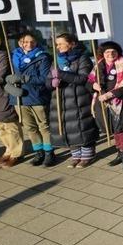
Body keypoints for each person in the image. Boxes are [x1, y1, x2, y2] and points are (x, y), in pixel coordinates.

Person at [46, 33, 98, 168]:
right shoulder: (56, 60)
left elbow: (83, 78)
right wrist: (52, 83)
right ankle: (76, 155)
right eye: (57, 44)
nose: (58, 47)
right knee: (68, 127)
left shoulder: (83, 58)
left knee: (81, 126)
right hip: (61, 99)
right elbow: (47, 79)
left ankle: (87, 155)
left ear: (72, 44)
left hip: (78, 98)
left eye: (61, 44)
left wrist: (62, 74)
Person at [5, 32, 53, 166]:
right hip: (19, 98)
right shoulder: (14, 56)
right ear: (20, 42)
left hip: (37, 96)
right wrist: (9, 81)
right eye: (25, 42)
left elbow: (45, 79)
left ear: (36, 42)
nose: (29, 44)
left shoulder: (42, 57)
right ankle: (39, 153)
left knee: (44, 126)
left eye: (32, 42)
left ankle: (49, 152)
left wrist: (26, 78)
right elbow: (8, 75)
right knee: (30, 128)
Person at [88, 41, 123, 171]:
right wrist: (93, 86)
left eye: (113, 51)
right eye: (107, 52)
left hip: (121, 102)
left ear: (118, 52)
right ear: (102, 54)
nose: (110, 54)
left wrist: (110, 95)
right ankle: (119, 153)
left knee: (122, 129)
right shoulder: (98, 66)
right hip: (103, 103)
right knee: (114, 129)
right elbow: (89, 82)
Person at [0, 32, 22, 168]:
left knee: (10, 126)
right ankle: (8, 150)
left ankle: (16, 153)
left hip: (0, 96)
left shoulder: (1, 56)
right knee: (0, 128)